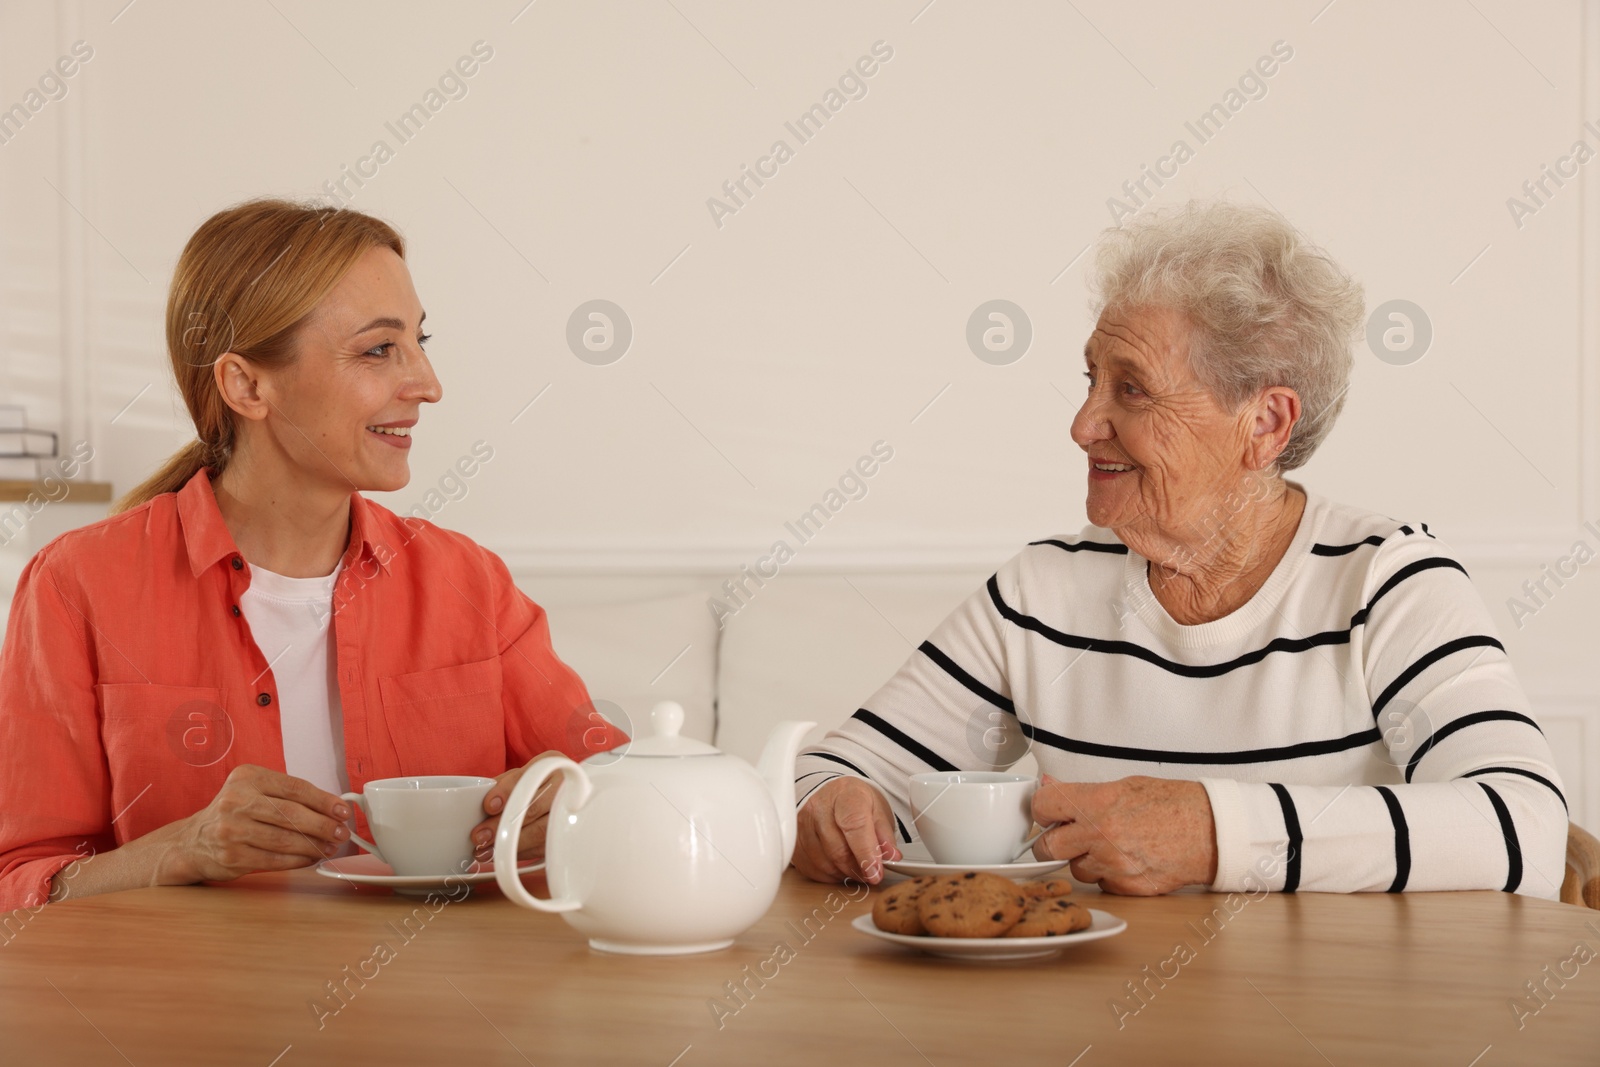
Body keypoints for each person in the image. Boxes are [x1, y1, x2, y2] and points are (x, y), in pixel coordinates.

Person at [793, 200, 1568, 898]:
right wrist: (828, 808)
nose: (1082, 423)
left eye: (1131, 389)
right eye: (1092, 378)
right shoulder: (1041, 592)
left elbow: (1523, 826)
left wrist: (1214, 833)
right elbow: (830, 774)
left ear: (1264, 424)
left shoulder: (1389, 584)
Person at [0, 199, 624, 911]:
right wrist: (182, 848)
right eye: (379, 349)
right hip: (189, 1013)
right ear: (246, 385)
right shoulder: (78, 586)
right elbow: (18, 879)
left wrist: (571, 797)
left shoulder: (469, 583)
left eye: (420, 341)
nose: (427, 384)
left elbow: (615, 779)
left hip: (440, 1006)